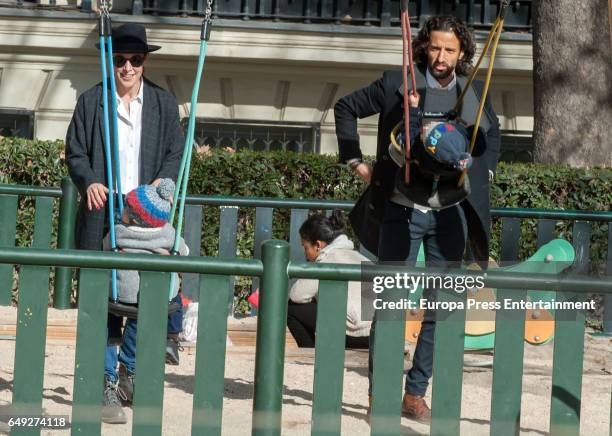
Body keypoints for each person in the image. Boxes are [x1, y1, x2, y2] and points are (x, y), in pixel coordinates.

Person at [334, 15, 501, 422]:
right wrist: (356, 161)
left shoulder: (473, 89)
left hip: (450, 213)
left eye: (450, 50)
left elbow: (491, 135)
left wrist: (484, 172)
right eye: (435, 47)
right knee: (391, 304)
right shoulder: (397, 81)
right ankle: (381, 395)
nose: (441, 57)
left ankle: (415, 393)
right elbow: (345, 108)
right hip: (401, 209)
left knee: (442, 308)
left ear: (462, 54)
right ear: (424, 45)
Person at [64, 23, 185, 423]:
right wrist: (90, 181)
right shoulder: (91, 101)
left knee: (141, 292)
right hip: (104, 206)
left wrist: (160, 187)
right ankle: (102, 382)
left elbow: (175, 154)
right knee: (103, 296)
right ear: (109, 60)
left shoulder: (165, 105)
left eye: (135, 60)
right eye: (119, 60)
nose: (127, 67)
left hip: (145, 208)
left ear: (145, 60)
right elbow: (75, 152)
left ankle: (131, 370)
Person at [102, 179, 189, 423]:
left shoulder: (119, 231)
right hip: (154, 298)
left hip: (120, 296)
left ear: (137, 217)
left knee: (108, 324)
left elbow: (104, 246)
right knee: (140, 324)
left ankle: (109, 380)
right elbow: (185, 252)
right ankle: (129, 369)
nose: (123, 212)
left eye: (127, 208)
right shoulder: (169, 233)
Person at [286, 211, 371, 348]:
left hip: (356, 333)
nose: (305, 253)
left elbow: (296, 295)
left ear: (318, 245)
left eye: (305, 247)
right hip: (377, 333)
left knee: (291, 308)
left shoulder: (325, 259)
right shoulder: (359, 257)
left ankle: (309, 352)